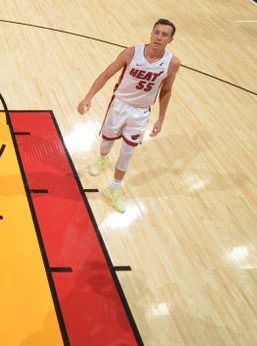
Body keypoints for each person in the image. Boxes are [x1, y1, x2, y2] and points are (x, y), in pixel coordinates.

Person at [77, 19, 180, 213]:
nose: (159, 37)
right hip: (119, 105)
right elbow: (106, 74)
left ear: (171, 40)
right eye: (156, 32)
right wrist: (88, 97)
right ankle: (103, 158)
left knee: (127, 153)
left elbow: (166, 90)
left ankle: (113, 189)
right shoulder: (131, 53)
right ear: (151, 33)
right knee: (106, 141)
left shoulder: (172, 63)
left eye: (164, 34)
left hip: (140, 114)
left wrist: (161, 119)